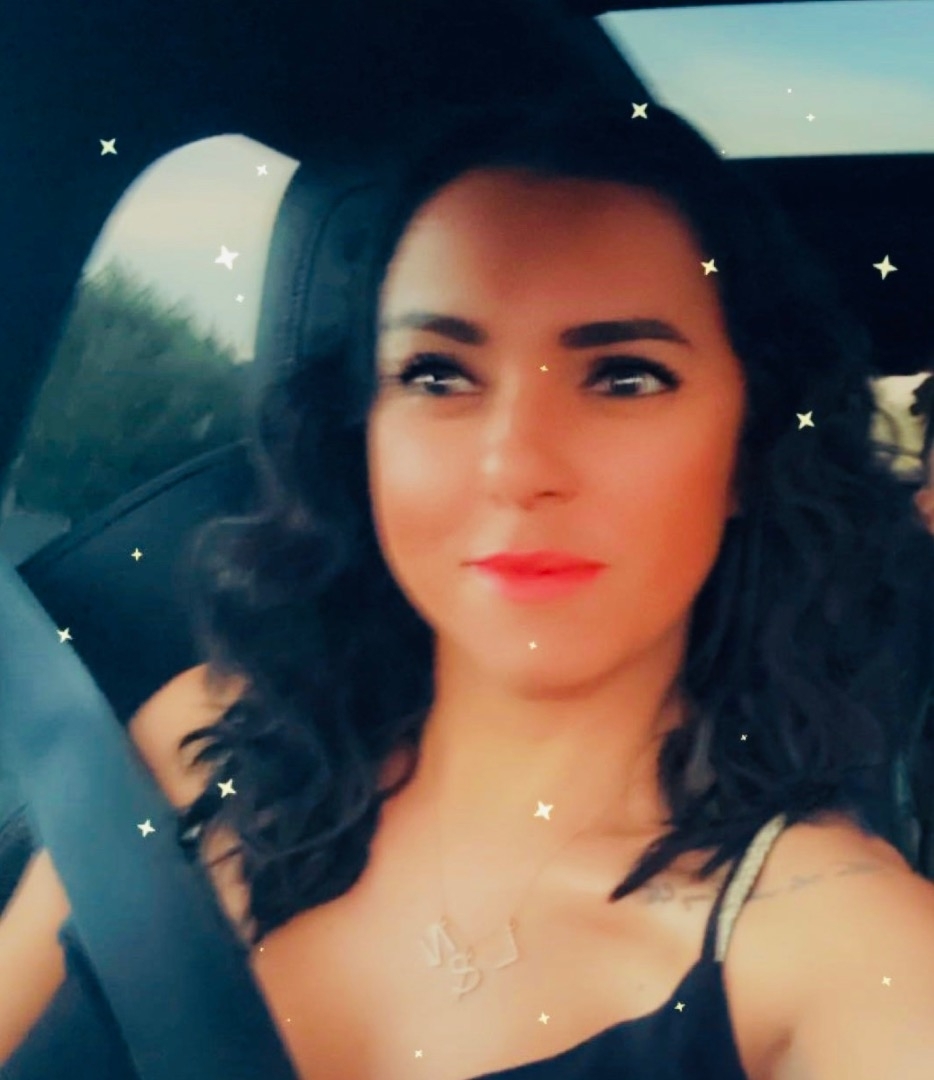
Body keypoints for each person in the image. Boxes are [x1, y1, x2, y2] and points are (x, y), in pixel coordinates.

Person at [4, 93, 934, 1080]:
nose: (513, 465)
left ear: (749, 448)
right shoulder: (201, 746)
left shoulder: (850, 952)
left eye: (624, 377)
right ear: (366, 430)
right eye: (437, 375)